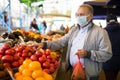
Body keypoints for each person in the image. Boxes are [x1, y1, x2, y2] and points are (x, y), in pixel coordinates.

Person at [30, 4, 112, 80]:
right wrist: (44, 44)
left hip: (89, 75)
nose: (79, 17)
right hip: (73, 70)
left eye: (81, 15)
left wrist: (88, 54)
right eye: (77, 15)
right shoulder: (74, 30)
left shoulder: (100, 32)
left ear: (90, 17)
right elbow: (61, 41)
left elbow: (107, 54)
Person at [102, 14, 120, 80]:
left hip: (107, 61)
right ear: (116, 21)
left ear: (107, 22)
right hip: (118, 60)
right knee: (115, 76)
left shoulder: (102, 31)